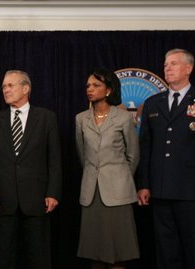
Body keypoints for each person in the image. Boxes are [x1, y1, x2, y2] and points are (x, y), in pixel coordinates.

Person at [0, 70, 62, 269]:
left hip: (37, 200)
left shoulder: (46, 118)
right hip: (3, 201)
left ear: (26, 88)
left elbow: (54, 160)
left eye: (10, 85)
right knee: (5, 257)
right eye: (4, 87)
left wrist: (53, 192)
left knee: (38, 257)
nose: (5, 90)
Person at [138, 48, 195, 269]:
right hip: (160, 189)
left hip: (191, 191)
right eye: (165, 64)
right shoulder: (154, 103)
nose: (167, 68)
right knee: (166, 249)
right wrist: (144, 184)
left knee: (193, 249)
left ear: (188, 68)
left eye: (173, 63)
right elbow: (146, 147)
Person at [75, 68, 140, 269]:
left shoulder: (123, 118)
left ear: (109, 90)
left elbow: (133, 155)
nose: (90, 89)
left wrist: (119, 178)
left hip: (118, 193)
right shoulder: (81, 118)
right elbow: (82, 154)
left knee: (119, 252)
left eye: (96, 85)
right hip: (91, 193)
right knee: (95, 251)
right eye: (88, 86)